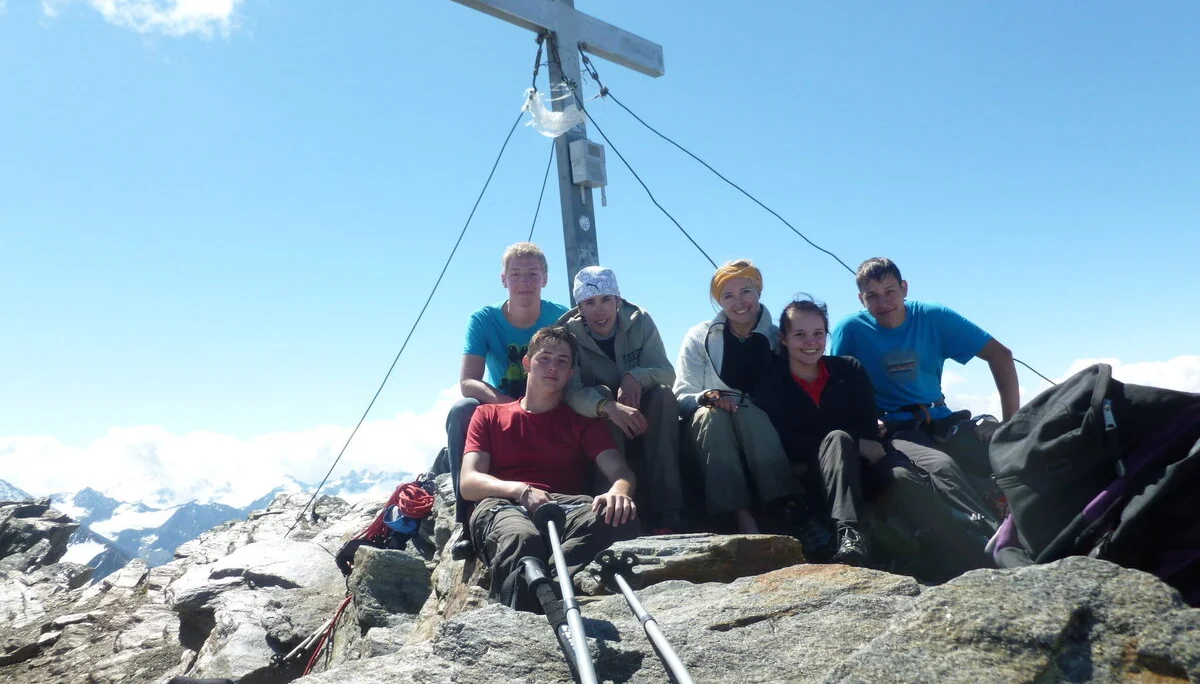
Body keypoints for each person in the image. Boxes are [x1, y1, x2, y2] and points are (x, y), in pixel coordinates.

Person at [754, 297, 986, 570]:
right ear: (783, 338)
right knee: (838, 439)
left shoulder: (848, 370)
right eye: (800, 335)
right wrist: (845, 441)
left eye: (818, 334)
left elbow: (870, 435)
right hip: (815, 479)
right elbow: (785, 442)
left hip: (866, 470)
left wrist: (851, 440)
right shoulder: (771, 382)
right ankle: (850, 535)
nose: (811, 342)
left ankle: (959, 546)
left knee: (901, 475)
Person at [460, 325, 640, 602]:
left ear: (571, 373)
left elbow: (620, 472)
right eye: (544, 358)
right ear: (526, 364)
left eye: (562, 361)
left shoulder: (584, 423)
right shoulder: (488, 415)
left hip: (566, 507)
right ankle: (520, 611)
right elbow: (470, 483)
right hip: (503, 504)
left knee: (618, 519)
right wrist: (520, 491)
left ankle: (546, 586)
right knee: (522, 539)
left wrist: (619, 492)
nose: (552, 367)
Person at [830, 257, 1019, 483]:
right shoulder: (850, 330)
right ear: (862, 299)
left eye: (890, 291)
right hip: (893, 428)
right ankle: (983, 518)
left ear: (904, 288)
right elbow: (834, 388)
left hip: (942, 421)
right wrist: (863, 428)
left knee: (1008, 454)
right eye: (872, 296)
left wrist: (1009, 425)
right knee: (941, 467)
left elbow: (1001, 356)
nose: (883, 303)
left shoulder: (933, 317)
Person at [446, 243, 569, 539]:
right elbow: (468, 383)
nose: (524, 282)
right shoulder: (484, 320)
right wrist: (505, 403)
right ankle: (467, 519)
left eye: (532, 273)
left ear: (545, 279)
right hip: (501, 403)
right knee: (461, 412)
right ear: (504, 279)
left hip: (550, 401)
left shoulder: (562, 318)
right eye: (516, 274)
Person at [558, 266, 685, 533]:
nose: (599, 310)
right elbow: (571, 392)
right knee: (601, 393)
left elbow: (666, 372)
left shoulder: (640, 321)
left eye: (606, 299)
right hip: (600, 421)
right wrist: (608, 407)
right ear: (580, 307)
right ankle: (611, 509)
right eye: (590, 303)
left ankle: (668, 509)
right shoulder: (567, 334)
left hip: (643, 415)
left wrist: (634, 376)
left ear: (618, 300)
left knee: (662, 394)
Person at [673, 259, 793, 534]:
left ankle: (782, 506)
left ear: (759, 293)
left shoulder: (778, 338)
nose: (739, 302)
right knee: (712, 417)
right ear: (719, 302)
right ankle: (738, 515)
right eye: (728, 295)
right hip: (708, 424)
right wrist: (706, 397)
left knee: (748, 412)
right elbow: (681, 393)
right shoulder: (699, 336)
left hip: (758, 423)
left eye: (745, 292)